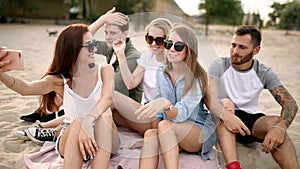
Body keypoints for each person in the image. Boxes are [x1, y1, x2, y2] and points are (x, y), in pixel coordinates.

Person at [0, 23, 119, 168]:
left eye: (93, 43)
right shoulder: (60, 81)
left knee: (104, 117)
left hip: (104, 137)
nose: (94, 48)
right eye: (88, 45)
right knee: (77, 122)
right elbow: (25, 89)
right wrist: (1, 75)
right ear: (73, 50)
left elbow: (107, 98)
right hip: (72, 136)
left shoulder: (105, 70)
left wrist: (88, 121)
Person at [208, 25, 299, 169]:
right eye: (233, 45)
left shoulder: (263, 72)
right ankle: (234, 166)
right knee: (226, 103)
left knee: (275, 122)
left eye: (242, 47)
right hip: (221, 120)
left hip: (249, 124)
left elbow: (290, 104)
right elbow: (209, 97)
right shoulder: (219, 65)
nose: (235, 51)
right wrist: (227, 116)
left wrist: (281, 127)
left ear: (256, 50)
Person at [136, 24, 217, 169]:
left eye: (178, 46)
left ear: (189, 49)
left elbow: (182, 114)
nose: (171, 49)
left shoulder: (196, 77)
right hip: (171, 129)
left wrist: (166, 104)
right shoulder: (161, 72)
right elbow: (159, 112)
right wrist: (155, 134)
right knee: (150, 134)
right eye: (168, 44)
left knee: (165, 126)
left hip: (198, 131)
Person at [109, 17, 173, 135]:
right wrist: (120, 54)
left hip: (162, 117)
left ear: (168, 40)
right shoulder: (147, 57)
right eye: (150, 39)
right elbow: (130, 84)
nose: (153, 44)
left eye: (159, 40)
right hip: (146, 110)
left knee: (111, 96)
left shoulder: (173, 62)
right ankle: (72, 123)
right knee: (109, 112)